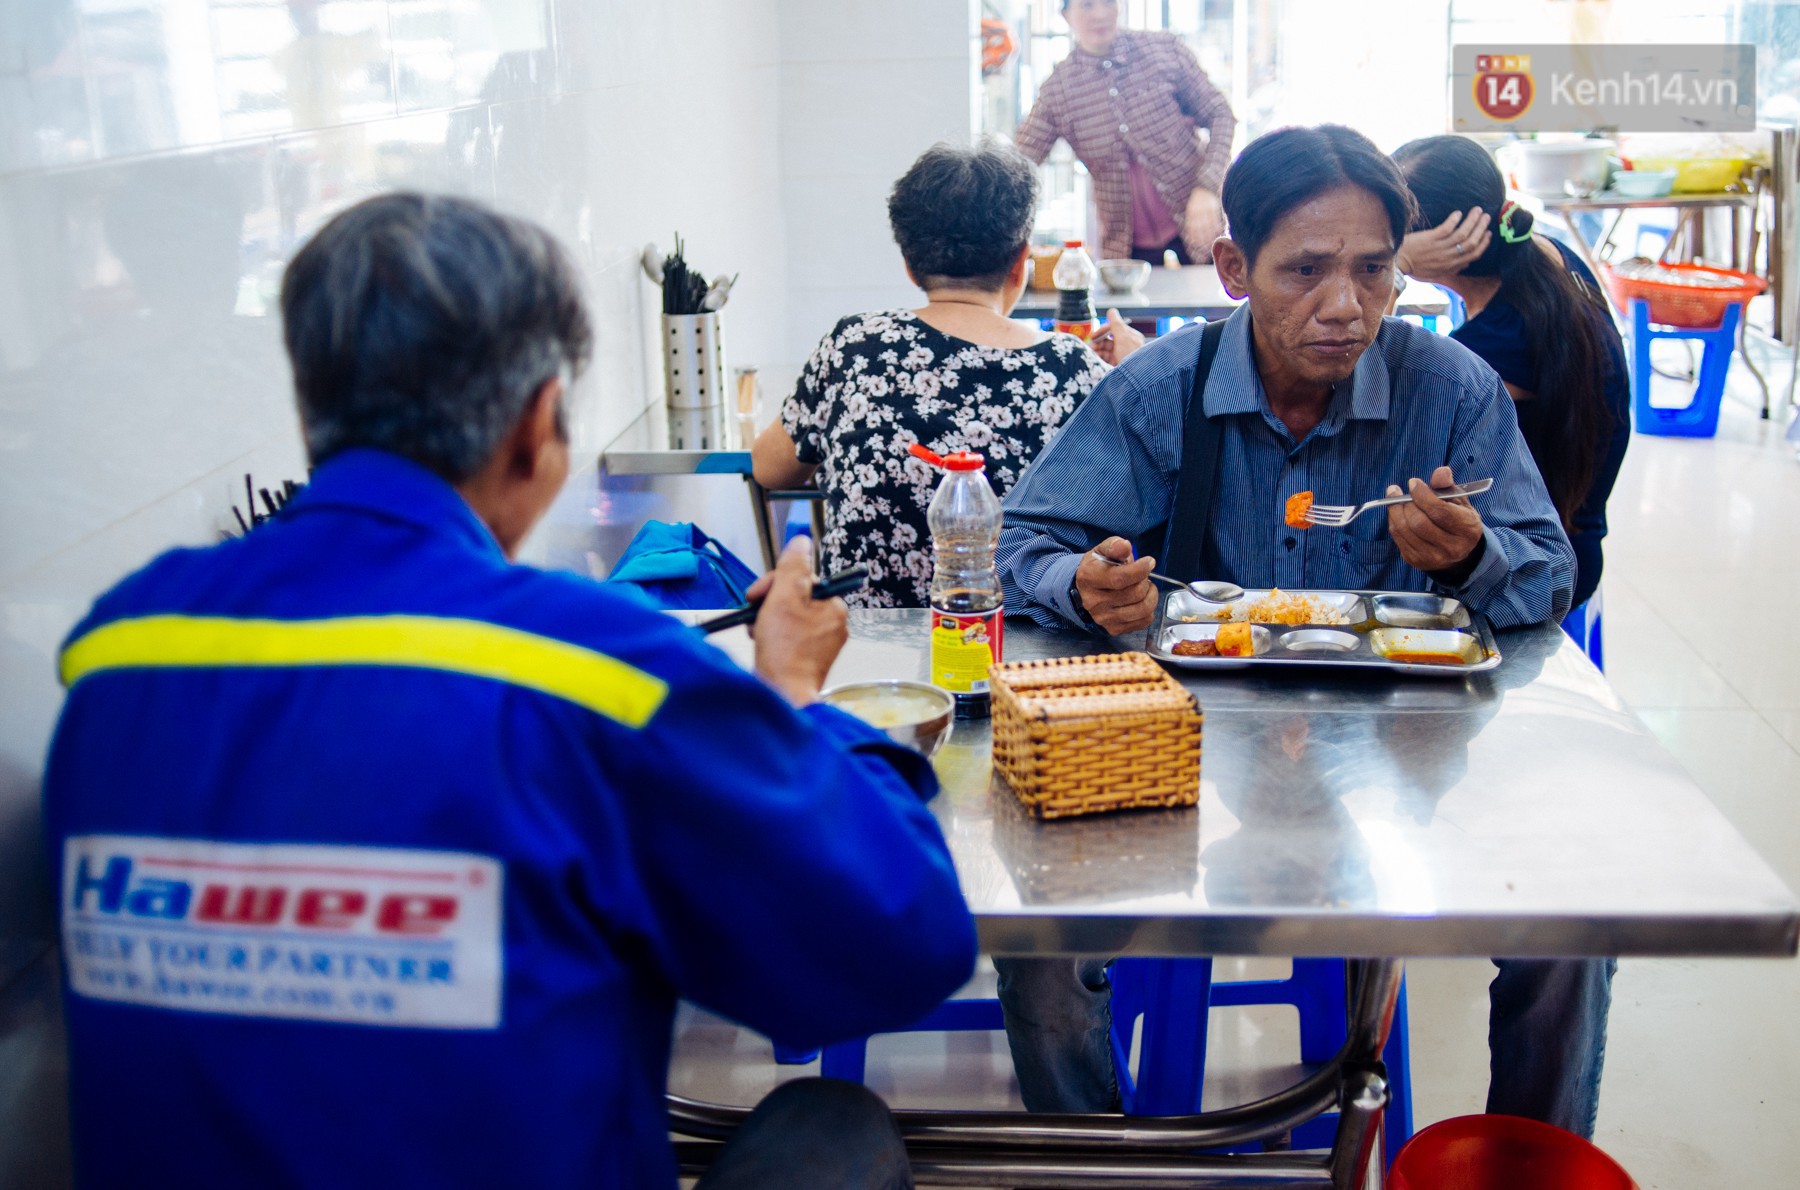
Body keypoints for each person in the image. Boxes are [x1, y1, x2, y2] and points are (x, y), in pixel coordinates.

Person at [43, 193, 978, 1190]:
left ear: (316, 405)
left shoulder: (115, 652)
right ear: (538, 427)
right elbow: (900, 943)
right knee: (834, 1130)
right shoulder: (593, 673)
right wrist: (794, 695)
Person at [993, 125, 1602, 1139]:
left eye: (1373, 271)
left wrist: (1467, 558)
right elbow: (1026, 541)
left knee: (1572, 922)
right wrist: (1082, 582)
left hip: (1403, 755)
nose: (1345, 306)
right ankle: (1098, 1155)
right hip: (1187, 756)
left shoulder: (1447, 392)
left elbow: (1548, 569)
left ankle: (1528, 1157)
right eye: (1306, 271)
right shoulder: (1160, 393)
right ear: (1232, 268)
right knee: (1037, 929)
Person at [753, 141, 1136, 608]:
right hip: (1016, 654)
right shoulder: (1075, 369)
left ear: (910, 265)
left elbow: (768, 468)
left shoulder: (854, 344)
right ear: (1020, 262)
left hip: (861, 653)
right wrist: (1134, 368)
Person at [1392, 134, 1631, 612]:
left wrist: (1396, 264)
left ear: (1441, 238)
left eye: (1386, 227)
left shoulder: (1481, 357)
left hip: (1533, 569)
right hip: (1576, 534)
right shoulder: (1546, 255)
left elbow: (1363, 393)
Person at [1013, 0, 1235, 265]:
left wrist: (1207, 187)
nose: (1100, 14)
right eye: (1086, 5)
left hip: (1201, 226)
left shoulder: (1164, 51)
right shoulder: (1059, 89)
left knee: (1215, 302)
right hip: (1126, 248)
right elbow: (1020, 161)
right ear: (1065, 15)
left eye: (1108, 2)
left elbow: (1221, 115)